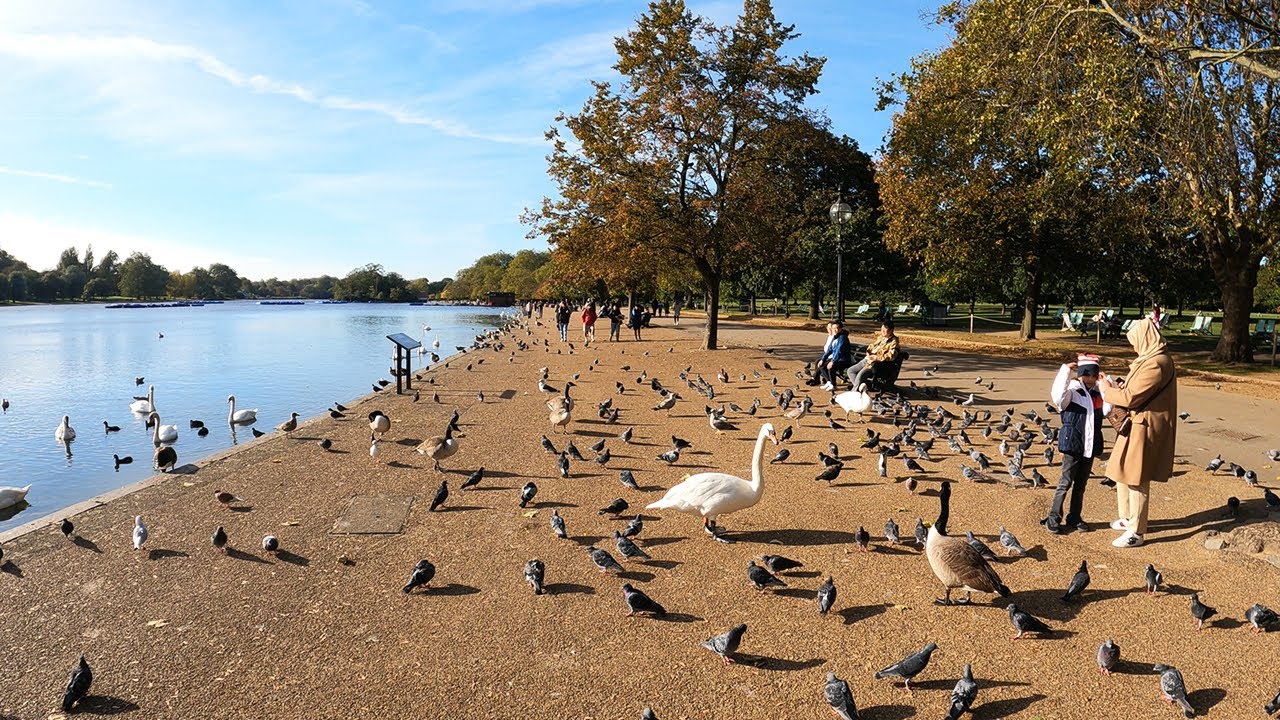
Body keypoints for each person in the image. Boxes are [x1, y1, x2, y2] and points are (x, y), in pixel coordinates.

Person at [1098, 318, 1178, 549]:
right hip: (1136, 423)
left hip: (1145, 426)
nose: (1133, 347)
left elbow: (1131, 398)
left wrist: (1107, 391)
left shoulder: (1157, 363)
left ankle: (1137, 530)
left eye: (1134, 341)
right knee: (1121, 470)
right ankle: (1128, 518)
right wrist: (1115, 386)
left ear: (1144, 338)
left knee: (1137, 477)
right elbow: (1134, 390)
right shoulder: (1149, 358)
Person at [1042, 353, 1111, 534]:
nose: (1090, 379)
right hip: (1073, 443)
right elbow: (1057, 397)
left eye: (1094, 375)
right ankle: (1053, 517)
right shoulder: (1072, 392)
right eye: (1086, 374)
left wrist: (1106, 384)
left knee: (1081, 485)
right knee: (1065, 482)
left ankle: (1074, 516)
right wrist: (1065, 372)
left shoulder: (1097, 394)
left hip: (1090, 445)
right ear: (1079, 374)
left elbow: (1108, 409)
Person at [849, 319, 900, 390]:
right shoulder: (881, 337)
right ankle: (860, 389)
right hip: (867, 359)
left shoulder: (894, 342)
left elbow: (891, 356)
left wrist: (876, 357)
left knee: (860, 376)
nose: (883, 331)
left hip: (875, 364)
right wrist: (868, 351)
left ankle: (854, 392)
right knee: (850, 371)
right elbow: (872, 345)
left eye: (885, 329)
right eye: (882, 329)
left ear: (891, 330)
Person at [817, 322, 852, 391]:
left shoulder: (842, 337)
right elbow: (829, 350)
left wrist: (833, 361)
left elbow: (839, 351)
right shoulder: (835, 337)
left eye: (837, 328)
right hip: (837, 359)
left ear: (841, 329)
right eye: (833, 328)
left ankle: (833, 385)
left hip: (843, 360)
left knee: (831, 366)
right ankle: (829, 382)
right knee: (821, 365)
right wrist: (822, 359)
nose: (835, 330)